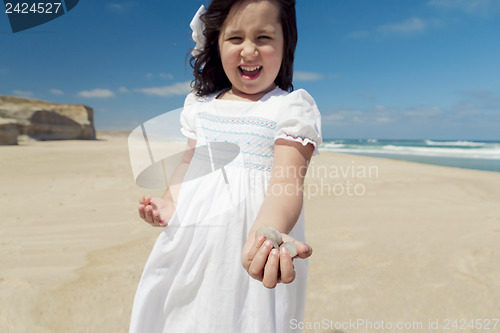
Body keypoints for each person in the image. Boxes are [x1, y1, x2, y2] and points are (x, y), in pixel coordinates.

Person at [129, 0, 322, 331]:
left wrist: (267, 233)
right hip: (191, 240)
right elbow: (190, 162)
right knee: (183, 313)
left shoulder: (290, 108)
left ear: (285, 44)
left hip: (253, 246)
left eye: (263, 37)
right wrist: (169, 201)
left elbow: (286, 184)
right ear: (216, 45)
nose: (249, 50)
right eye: (235, 38)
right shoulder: (200, 106)